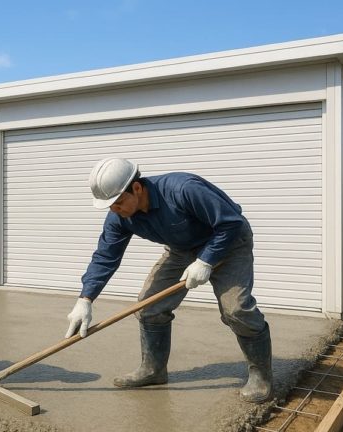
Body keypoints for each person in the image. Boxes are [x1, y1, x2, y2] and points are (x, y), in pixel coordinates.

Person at [64, 157, 273, 403]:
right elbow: (106, 256)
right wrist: (85, 299)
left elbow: (230, 223)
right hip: (181, 249)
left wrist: (206, 261)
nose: (115, 210)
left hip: (229, 242)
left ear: (138, 188)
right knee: (149, 306)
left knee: (236, 309)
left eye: (118, 202)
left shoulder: (183, 189)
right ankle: (153, 370)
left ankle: (261, 375)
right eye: (109, 206)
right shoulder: (119, 217)